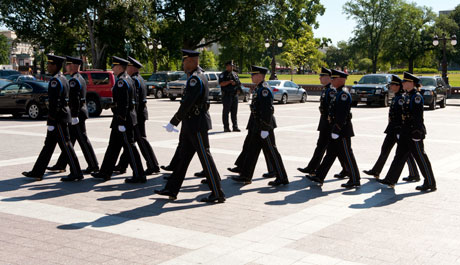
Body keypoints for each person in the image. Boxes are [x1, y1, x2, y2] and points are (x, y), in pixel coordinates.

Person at [154, 49, 225, 203]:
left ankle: (217, 192)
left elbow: (187, 103)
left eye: (185, 61)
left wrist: (174, 121)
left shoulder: (195, 79)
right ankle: (171, 189)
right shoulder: (197, 76)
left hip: (197, 124)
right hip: (191, 123)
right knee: (182, 158)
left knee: (205, 157)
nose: (183, 64)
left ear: (192, 61)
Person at [22, 55, 83, 181]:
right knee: (48, 146)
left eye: (50, 64)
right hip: (60, 116)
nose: (47, 67)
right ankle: (37, 171)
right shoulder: (63, 78)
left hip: (58, 118)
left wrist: (51, 120)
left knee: (66, 145)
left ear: (55, 66)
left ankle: (76, 172)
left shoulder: (55, 81)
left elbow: (55, 103)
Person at [377, 72, 437, 192]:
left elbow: (418, 116)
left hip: (414, 132)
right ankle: (391, 179)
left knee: (421, 157)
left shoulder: (416, 97)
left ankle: (430, 182)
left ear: (411, 83)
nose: (402, 83)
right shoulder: (407, 96)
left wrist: (417, 132)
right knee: (399, 156)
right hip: (405, 132)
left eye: (405, 82)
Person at [231, 65, 288, 186]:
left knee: (272, 152)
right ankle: (246, 176)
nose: (251, 76)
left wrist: (265, 128)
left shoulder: (264, 89)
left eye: (253, 74)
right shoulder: (259, 88)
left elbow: (268, 110)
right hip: (257, 126)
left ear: (260, 76)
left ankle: (282, 177)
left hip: (264, 126)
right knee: (252, 151)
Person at [91, 56, 145, 183]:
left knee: (130, 147)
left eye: (114, 66)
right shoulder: (128, 79)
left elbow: (123, 103)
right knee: (113, 147)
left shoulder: (122, 81)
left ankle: (139, 174)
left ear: (120, 67)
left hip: (123, 120)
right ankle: (105, 172)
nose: (112, 68)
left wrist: (121, 120)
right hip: (124, 119)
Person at [306, 69, 361, 189]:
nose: (332, 80)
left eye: (334, 79)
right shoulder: (338, 92)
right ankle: (320, 176)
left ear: (341, 79)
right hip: (335, 130)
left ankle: (355, 178)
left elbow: (342, 115)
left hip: (342, 131)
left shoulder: (343, 94)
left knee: (347, 154)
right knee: (330, 154)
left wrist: (336, 129)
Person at [47, 56, 99, 177]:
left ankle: (93, 165)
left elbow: (75, 99)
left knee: (81, 140)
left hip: (77, 114)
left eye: (68, 65)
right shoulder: (79, 78)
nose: (66, 67)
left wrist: (74, 115)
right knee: (70, 140)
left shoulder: (74, 80)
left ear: (73, 66)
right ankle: (61, 164)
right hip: (79, 112)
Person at [363, 75, 420, 181]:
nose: (391, 86)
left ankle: (414, 174)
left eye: (392, 85)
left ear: (398, 86)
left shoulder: (401, 98)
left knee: (404, 153)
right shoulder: (397, 97)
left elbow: (401, 116)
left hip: (398, 129)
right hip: (392, 129)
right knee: (386, 149)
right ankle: (376, 170)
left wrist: (399, 130)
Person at [298, 67, 348, 178]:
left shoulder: (331, 91)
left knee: (330, 148)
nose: (320, 78)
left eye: (322, 76)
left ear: (328, 78)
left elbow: (333, 110)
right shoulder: (326, 89)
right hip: (325, 122)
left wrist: (332, 124)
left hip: (329, 123)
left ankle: (315, 169)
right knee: (326, 147)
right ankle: (313, 167)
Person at [113, 56, 160, 176]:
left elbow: (135, 100)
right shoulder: (139, 79)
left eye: (128, 66)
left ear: (132, 68)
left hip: (137, 114)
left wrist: (133, 116)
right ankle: (122, 165)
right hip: (139, 113)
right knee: (130, 141)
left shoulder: (134, 80)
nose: (126, 69)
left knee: (139, 140)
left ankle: (153, 165)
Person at [219, 61, 241, 132]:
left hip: (234, 95)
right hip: (227, 95)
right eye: (230, 66)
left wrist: (238, 89)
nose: (232, 67)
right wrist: (229, 82)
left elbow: (239, 83)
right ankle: (226, 127)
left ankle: (235, 126)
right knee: (226, 112)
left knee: (234, 112)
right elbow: (221, 84)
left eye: (232, 66)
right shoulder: (223, 74)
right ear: (227, 66)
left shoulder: (235, 74)